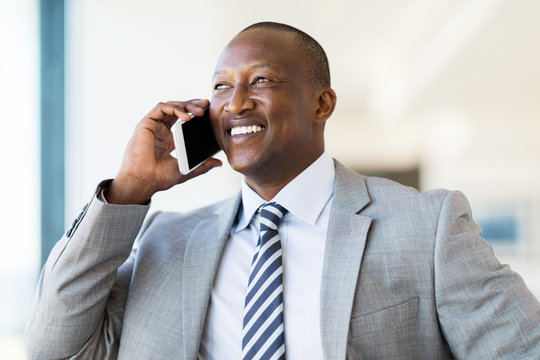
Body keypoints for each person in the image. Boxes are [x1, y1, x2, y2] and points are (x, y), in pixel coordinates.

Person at [25, 22, 540, 360]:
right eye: (222, 86)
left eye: (262, 80)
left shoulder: (428, 226)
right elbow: (51, 347)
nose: (237, 103)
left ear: (322, 104)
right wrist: (128, 191)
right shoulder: (164, 241)